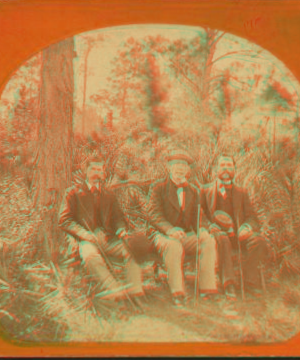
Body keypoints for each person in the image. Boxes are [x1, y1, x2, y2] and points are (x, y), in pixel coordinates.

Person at [58, 155, 144, 313]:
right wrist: (84, 234)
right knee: (91, 258)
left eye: (100, 169)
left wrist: (121, 230)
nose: (97, 173)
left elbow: (118, 218)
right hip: (86, 240)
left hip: (107, 238)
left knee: (132, 251)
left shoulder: (108, 194)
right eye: (93, 169)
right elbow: (64, 220)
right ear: (86, 171)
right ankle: (117, 292)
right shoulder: (73, 193)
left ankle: (135, 292)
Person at [148, 149, 218, 308]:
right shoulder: (158, 188)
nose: (180, 169)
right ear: (169, 168)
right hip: (163, 235)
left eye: (183, 166)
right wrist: (170, 230)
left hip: (185, 235)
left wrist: (202, 231)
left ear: (188, 170)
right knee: (174, 246)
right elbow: (154, 214)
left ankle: (207, 289)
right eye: (176, 165)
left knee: (208, 242)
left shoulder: (193, 190)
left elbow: (197, 219)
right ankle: (178, 293)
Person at [200, 155, 269, 298]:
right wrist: (209, 227)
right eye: (222, 165)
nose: (226, 168)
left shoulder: (242, 192)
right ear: (216, 169)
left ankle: (248, 281)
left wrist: (247, 227)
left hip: (238, 236)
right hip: (217, 236)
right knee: (223, 239)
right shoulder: (205, 191)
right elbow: (199, 215)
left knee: (259, 241)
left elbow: (252, 217)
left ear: (234, 169)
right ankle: (229, 283)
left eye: (229, 165)